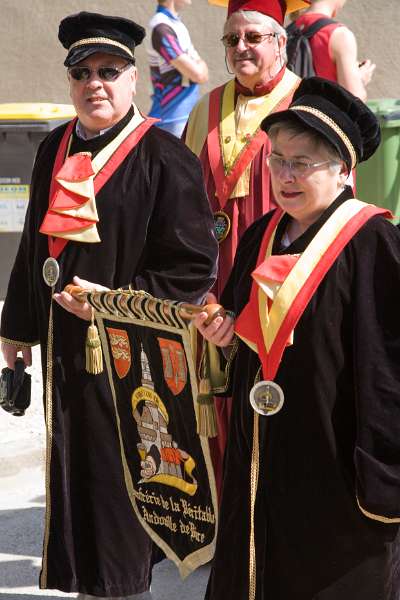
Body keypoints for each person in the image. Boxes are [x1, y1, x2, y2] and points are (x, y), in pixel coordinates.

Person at [0, 11, 218, 599]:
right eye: (82, 74)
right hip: (64, 345)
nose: (94, 84)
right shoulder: (54, 147)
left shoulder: (165, 157)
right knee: (76, 472)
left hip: (130, 354)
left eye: (109, 72)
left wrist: (114, 303)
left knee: (122, 481)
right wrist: (16, 329)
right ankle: (90, 586)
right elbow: (33, 248)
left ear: (132, 81)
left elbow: (193, 265)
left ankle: (123, 591)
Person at [194, 77, 400, 599]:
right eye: (277, 159)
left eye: (302, 162)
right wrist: (223, 334)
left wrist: (383, 472)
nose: (284, 175)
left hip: (333, 461)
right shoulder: (261, 233)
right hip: (260, 453)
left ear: (343, 170)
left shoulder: (372, 240)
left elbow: (387, 367)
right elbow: (244, 327)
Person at [185, 0, 308, 497]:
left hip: (280, 271)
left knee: (277, 390)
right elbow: (185, 201)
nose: (241, 48)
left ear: (280, 42)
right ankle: (227, 512)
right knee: (218, 393)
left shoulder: (308, 102)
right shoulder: (205, 108)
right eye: (232, 39)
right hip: (216, 276)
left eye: (254, 37)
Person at [147, 0, 208, 137]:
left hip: (182, 115)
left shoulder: (177, 25)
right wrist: (197, 65)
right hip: (170, 118)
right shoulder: (161, 27)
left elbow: (202, 73)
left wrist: (198, 67)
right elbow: (198, 74)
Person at [293, 0, 375, 100]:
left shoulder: (287, 30)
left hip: (288, 113)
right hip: (320, 113)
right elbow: (354, 101)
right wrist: (360, 80)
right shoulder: (340, 35)